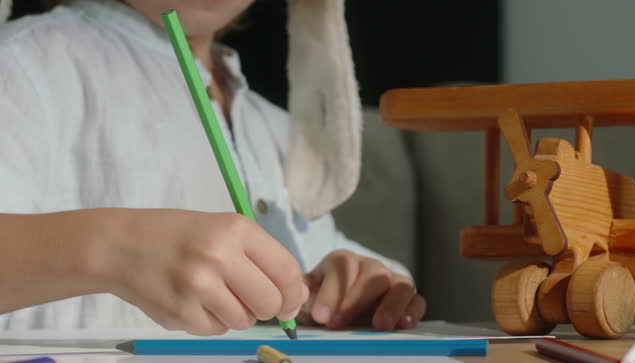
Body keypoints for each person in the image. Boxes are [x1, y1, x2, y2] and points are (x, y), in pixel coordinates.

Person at [0, 0, 426, 335]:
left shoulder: (272, 126)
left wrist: (356, 288)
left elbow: (317, 270)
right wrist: (112, 247)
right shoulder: (23, 64)